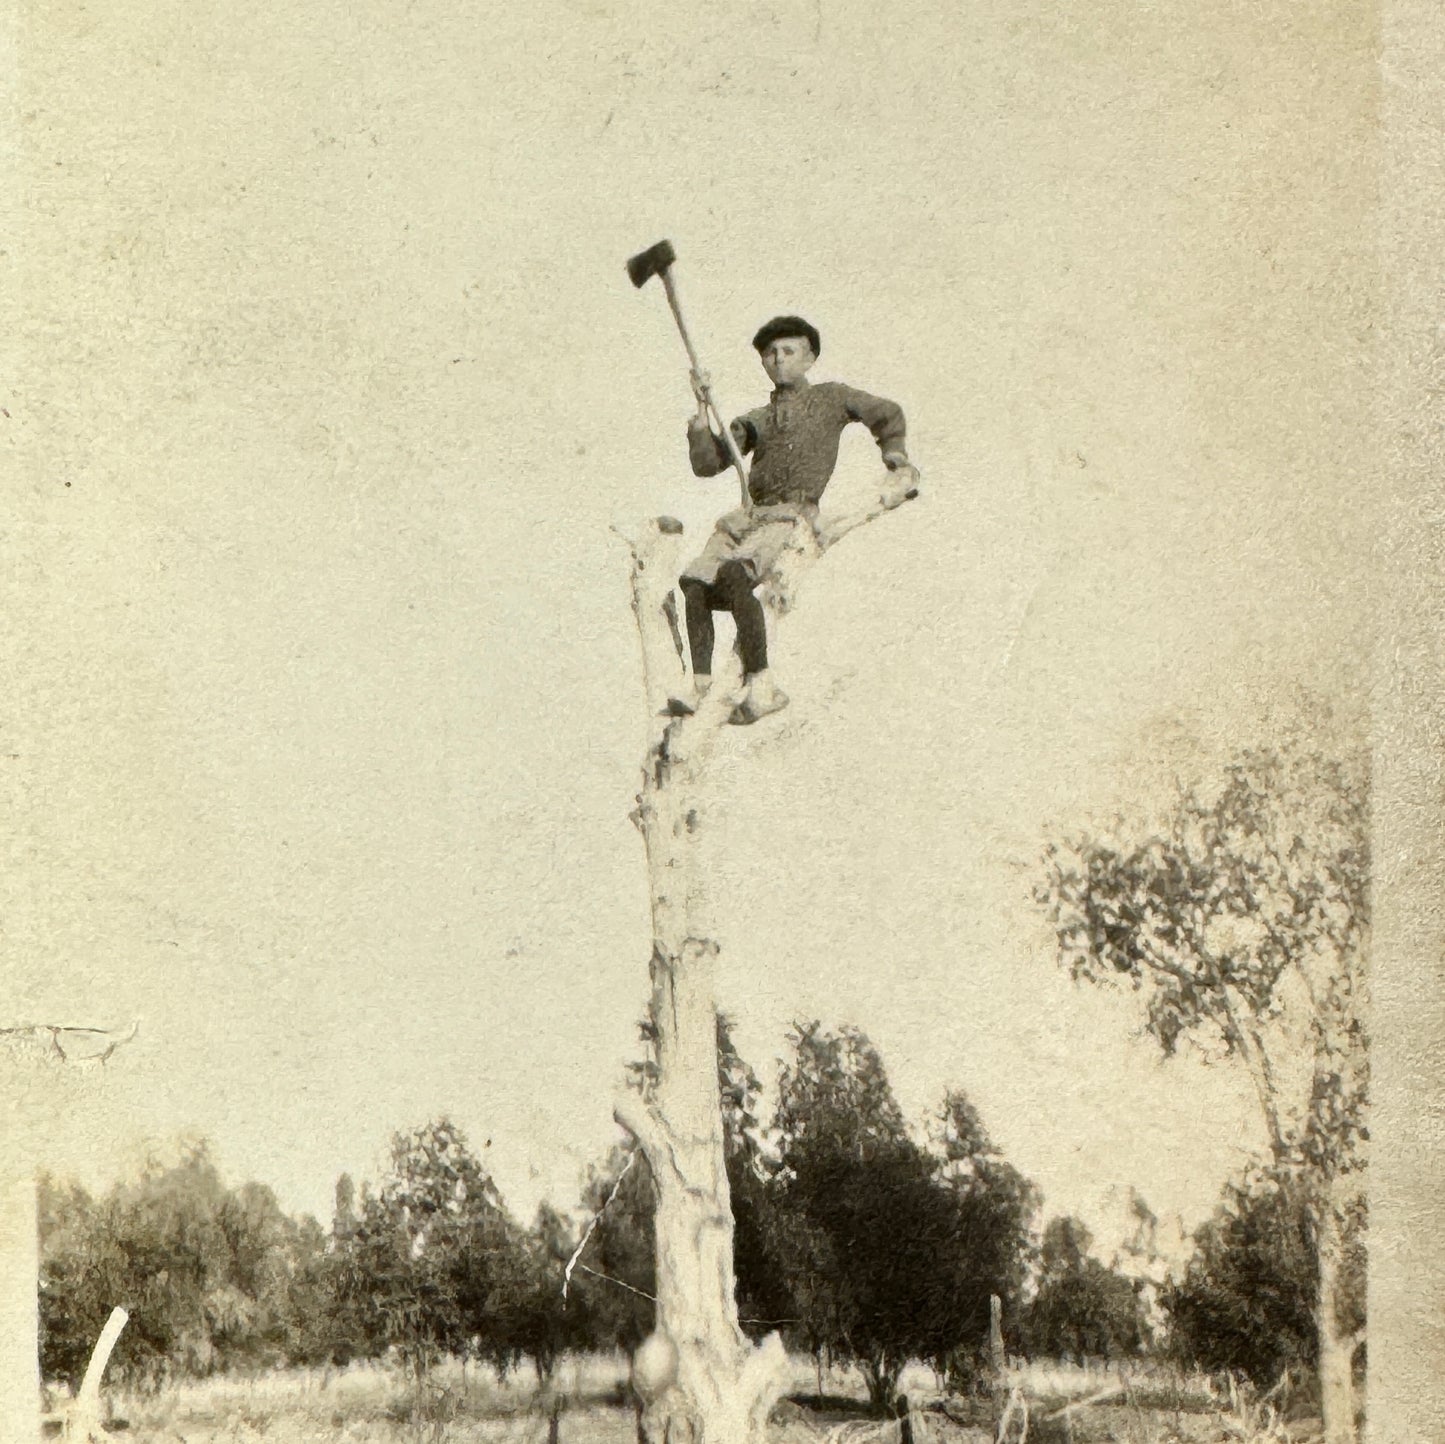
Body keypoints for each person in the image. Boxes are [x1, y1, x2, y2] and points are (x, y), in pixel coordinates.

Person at [669, 314, 919, 724]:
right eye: (770, 354)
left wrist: (895, 454)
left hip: (791, 516)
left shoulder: (831, 398)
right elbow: (708, 462)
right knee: (696, 583)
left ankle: (761, 684)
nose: (778, 359)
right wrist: (700, 408)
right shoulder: (756, 419)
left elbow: (886, 413)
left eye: (789, 351)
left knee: (734, 575)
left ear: (810, 357)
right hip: (749, 516)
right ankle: (699, 684)